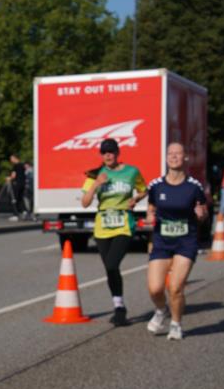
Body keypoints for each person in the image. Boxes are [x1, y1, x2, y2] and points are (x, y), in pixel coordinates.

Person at [80, 138, 147, 326]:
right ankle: (119, 306)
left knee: (111, 264)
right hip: (102, 226)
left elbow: (144, 189)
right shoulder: (95, 174)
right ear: (101, 155)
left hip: (124, 223)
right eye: (104, 152)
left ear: (118, 153)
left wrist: (136, 199)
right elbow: (84, 203)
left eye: (111, 151)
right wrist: (95, 185)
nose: (107, 155)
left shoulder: (131, 172)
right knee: (111, 269)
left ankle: (119, 307)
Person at [145, 143, 209, 340]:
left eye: (178, 154)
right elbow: (151, 205)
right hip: (162, 241)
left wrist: (201, 214)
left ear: (185, 158)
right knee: (155, 288)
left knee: (175, 287)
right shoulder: (156, 185)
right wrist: (149, 215)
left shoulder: (194, 186)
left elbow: (203, 211)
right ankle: (161, 310)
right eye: (170, 154)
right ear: (166, 158)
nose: (173, 157)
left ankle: (176, 324)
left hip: (185, 241)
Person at [8, 154, 27, 221]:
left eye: (11, 158)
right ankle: (24, 211)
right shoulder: (22, 165)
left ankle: (15, 215)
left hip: (17, 184)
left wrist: (9, 178)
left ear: (15, 158)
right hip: (23, 184)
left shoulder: (15, 166)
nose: (11, 160)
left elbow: (13, 176)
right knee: (20, 198)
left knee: (14, 199)